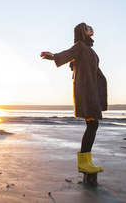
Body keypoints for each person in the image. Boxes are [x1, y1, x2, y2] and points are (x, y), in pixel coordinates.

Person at [40, 23, 107, 174]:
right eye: (88, 27)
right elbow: (68, 54)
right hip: (85, 90)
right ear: (82, 32)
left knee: (93, 125)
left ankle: (87, 161)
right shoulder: (80, 46)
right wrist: (53, 56)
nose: (92, 28)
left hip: (92, 89)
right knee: (92, 124)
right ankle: (84, 162)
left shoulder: (89, 49)